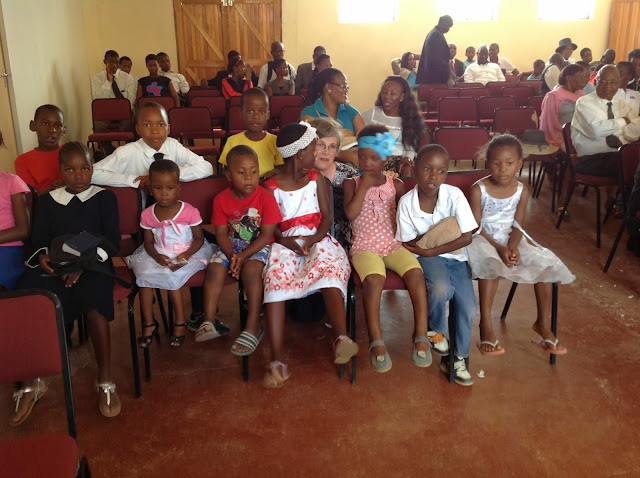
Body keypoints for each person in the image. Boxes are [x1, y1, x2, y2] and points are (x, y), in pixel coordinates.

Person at [17, 142, 122, 417]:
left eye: (85, 168)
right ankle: (31, 380)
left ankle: (105, 379)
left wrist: (83, 264)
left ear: (92, 168)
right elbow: (39, 240)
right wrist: (43, 256)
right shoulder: (48, 201)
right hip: (57, 265)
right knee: (29, 295)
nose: (78, 176)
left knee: (95, 301)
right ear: (61, 171)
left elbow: (111, 239)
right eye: (70, 170)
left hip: (94, 264)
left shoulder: (104, 198)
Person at [261, 122, 355, 387]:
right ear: (299, 154)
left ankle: (341, 338)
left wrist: (313, 239)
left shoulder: (317, 179)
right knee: (275, 282)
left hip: (317, 237)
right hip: (285, 242)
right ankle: (276, 359)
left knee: (328, 268)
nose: (317, 153)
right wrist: (286, 241)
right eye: (314, 149)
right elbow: (272, 226)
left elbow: (326, 217)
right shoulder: (270, 187)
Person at [467, 134, 575, 355]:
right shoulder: (479, 189)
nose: (503, 169)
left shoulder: (521, 190)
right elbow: (475, 228)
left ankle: (542, 323)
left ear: (519, 164)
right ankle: (485, 324)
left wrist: (513, 247)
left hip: (511, 239)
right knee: (490, 265)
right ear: (488, 163)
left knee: (545, 264)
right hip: (483, 239)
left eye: (509, 163)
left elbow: (517, 225)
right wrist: (500, 248)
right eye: (497, 163)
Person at [343, 125, 432, 372]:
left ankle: (421, 334)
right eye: (362, 157)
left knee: (416, 274)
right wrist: (364, 186)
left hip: (393, 243)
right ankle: (376, 340)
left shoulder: (397, 185)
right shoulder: (351, 183)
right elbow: (351, 214)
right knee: (373, 280)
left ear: (386, 159)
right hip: (364, 246)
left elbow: (406, 218)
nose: (367, 163)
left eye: (374, 158)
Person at [396, 145, 478, 386]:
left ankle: (458, 359)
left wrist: (430, 247)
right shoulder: (407, 203)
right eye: (427, 169)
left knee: (469, 308)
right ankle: (435, 331)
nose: (434, 176)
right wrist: (429, 250)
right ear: (414, 169)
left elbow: (466, 237)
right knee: (441, 289)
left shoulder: (454, 195)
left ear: (447, 174)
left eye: (441, 171)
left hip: (456, 256)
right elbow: (409, 242)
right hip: (426, 258)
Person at [195, 146, 281, 354]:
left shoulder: (266, 197)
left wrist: (242, 256)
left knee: (251, 272)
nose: (249, 177)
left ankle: (253, 325)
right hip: (230, 246)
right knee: (215, 269)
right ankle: (209, 321)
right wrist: (233, 256)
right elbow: (221, 234)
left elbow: (266, 235)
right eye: (241, 172)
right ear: (228, 175)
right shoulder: (221, 199)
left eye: (254, 171)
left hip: (258, 246)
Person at [127, 159, 213, 348]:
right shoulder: (147, 214)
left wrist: (186, 255)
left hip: (187, 253)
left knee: (172, 278)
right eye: (158, 188)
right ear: (151, 189)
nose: (164, 193)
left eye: (170, 188)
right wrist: (157, 257)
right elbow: (148, 242)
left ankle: (179, 323)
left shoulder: (189, 211)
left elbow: (199, 238)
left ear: (178, 188)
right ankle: (149, 323)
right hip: (158, 254)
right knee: (143, 278)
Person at [91, 102, 213, 189]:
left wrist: (168, 176)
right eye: (147, 125)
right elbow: (93, 174)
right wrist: (133, 180)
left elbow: (206, 167)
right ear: (138, 129)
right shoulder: (126, 152)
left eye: (161, 125)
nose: (155, 131)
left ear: (168, 129)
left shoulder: (173, 146)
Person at [1, 132, 36, 425]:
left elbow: (23, 230)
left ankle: (30, 381)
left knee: (13, 306)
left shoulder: (11, 182)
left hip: (8, 251)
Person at [571, 65, 640, 206]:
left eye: (613, 82)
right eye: (603, 81)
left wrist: (614, 128)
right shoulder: (584, 102)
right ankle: (624, 206)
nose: (608, 86)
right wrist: (623, 121)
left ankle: (624, 205)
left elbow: (636, 129)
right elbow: (596, 130)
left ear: (619, 83)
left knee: (633, 163)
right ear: (596, 82)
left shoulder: (620, 104)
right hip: (590, 159)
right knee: (633, 166)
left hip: (616, 156)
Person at [361, 76, 426, 176]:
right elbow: (359, 138)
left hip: (399, 162)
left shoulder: (409, 118)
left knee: (408, 169)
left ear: (402, 97)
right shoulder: (371, 114)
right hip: (375, 160)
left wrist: (407, 159)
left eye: (392, 94)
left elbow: (410, 148)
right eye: (384, 92)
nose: (387, 96)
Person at [310, 117, 358, 250]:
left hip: (344, 244)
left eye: (332, 147)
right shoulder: (299, 176)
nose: (326, 152)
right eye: (320, 145)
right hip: (309, 242)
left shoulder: (349, 174)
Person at [218, 88, 283, 178]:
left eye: (262, 111)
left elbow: (280, 168)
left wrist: (275, 172)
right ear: (242, 113)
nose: (256, 116)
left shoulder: (275, 141)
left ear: (268, 115)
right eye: (250, 111)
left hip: (268, 184)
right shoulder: (232, 141)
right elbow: (226, 170)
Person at [14, 104, 65, 194]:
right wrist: (51, 190)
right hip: (45, 202)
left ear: (64, 130)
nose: (52, 130)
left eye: (58, 125)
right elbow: (30, 197)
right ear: (33, 126)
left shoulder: (73, 152)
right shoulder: (23, 161)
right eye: (45, 123)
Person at [300, 68, 364, 138]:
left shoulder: (352, 112)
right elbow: (314, 140)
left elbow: (364, 140)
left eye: (347, 86)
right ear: (328, 87)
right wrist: (348, 134)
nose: (346, 90)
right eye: (343, 86)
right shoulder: (309, 113)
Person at [540, 64, 586, 147]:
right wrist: (568, 133)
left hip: (581, 134)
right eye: (580, 77)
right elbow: (550, 123)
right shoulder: (553, 96)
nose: (584, 81)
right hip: (560, 136)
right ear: (568, 78)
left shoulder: (582, 95)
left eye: (584, 77)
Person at [416, 15, 453, 85]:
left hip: (433, 75)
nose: (448, 29)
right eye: (448, 26)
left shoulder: (435, 33)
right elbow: (436, 57)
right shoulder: (436, 35)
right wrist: (448, 71)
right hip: (434, 77)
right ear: (443, 23)